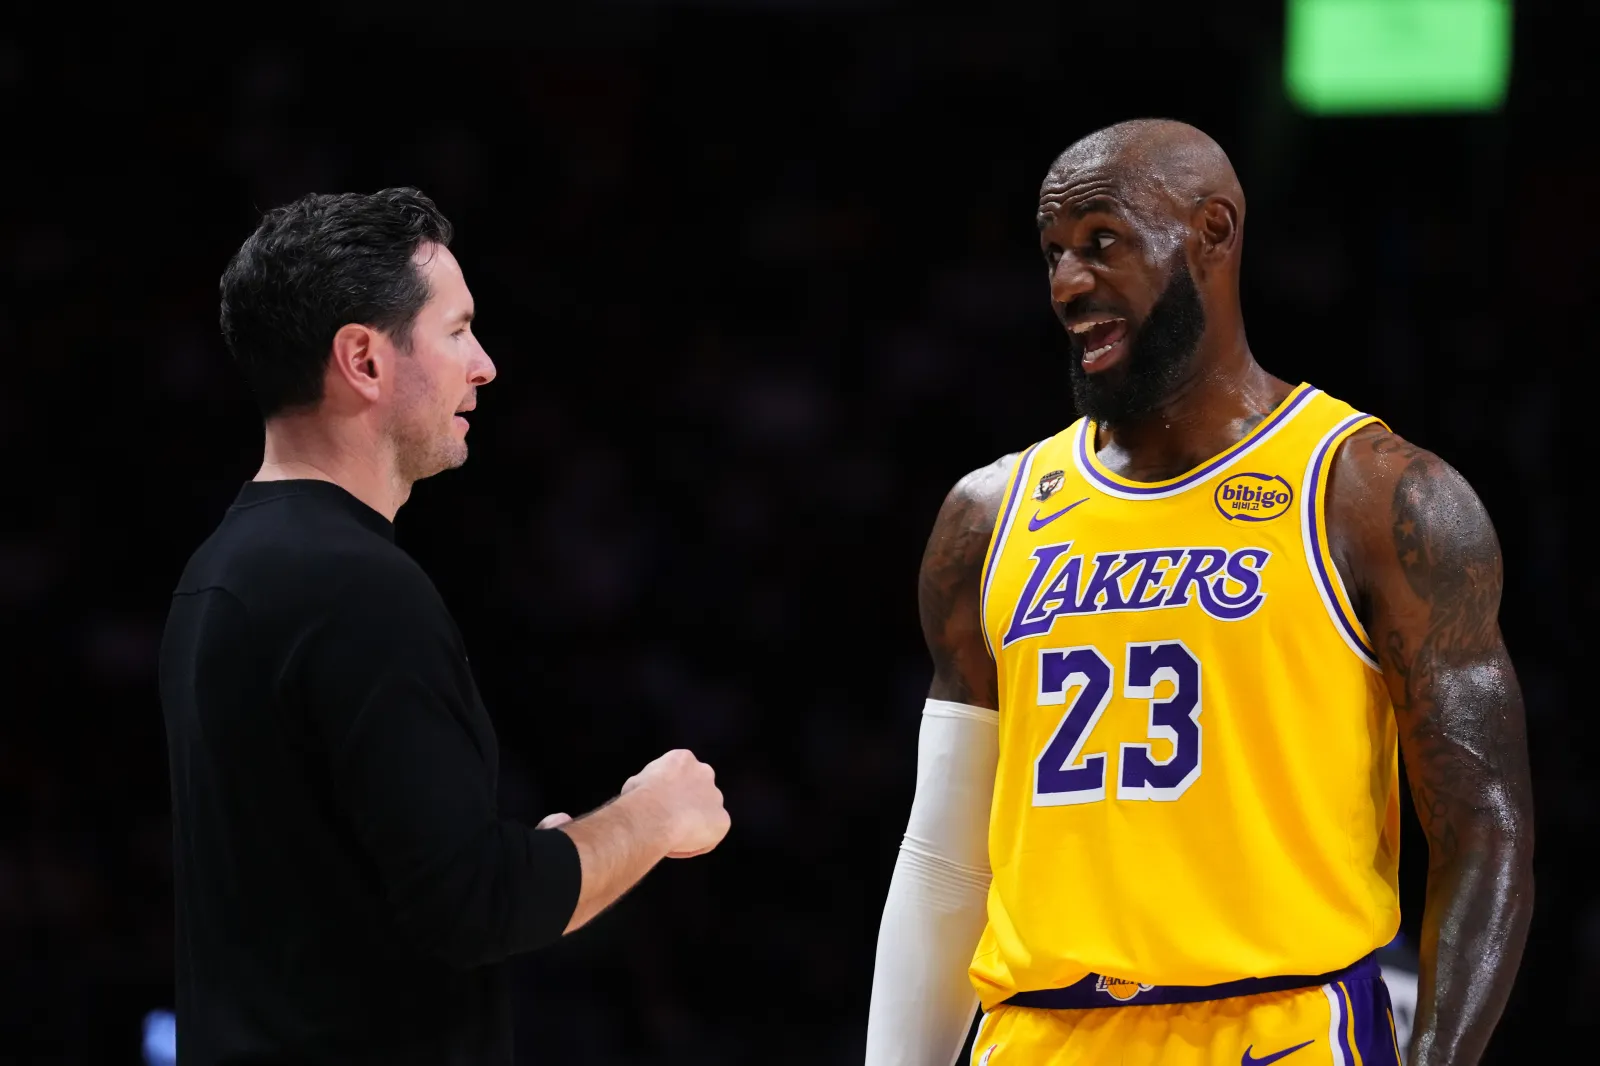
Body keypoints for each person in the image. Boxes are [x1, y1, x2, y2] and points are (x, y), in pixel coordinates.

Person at [864, 121, 1533, 1066]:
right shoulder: (987, 516)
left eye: (1104, 242)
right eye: (1053, 253)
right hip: (1038, 1035)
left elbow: (1485, 833)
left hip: (1284, 1027)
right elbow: (942, 859)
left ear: (1214, 231)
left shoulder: (1377, 496)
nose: (1068, 285)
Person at [159, 187, 731, 1066]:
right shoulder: (355, 589)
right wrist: (651, 816)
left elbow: (359, 890)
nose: (485, 365)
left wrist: (529, 860)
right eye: (457, 330)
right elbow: (474, 908)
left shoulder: (220, 570)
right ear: (363, 359)